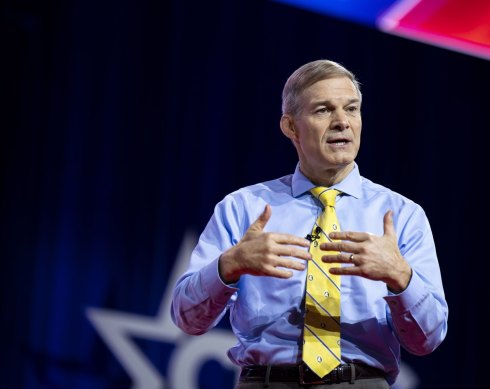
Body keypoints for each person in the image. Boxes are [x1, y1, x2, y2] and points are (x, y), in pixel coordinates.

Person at [171, 59, 448, 388]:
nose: (342, 122)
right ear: (290, 127)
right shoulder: (243, 208)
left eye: (352, 109)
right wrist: (230, 264)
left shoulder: (402, 215)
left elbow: (427, 339)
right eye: (323, 110)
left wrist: (400, 277)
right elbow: (187, 319)